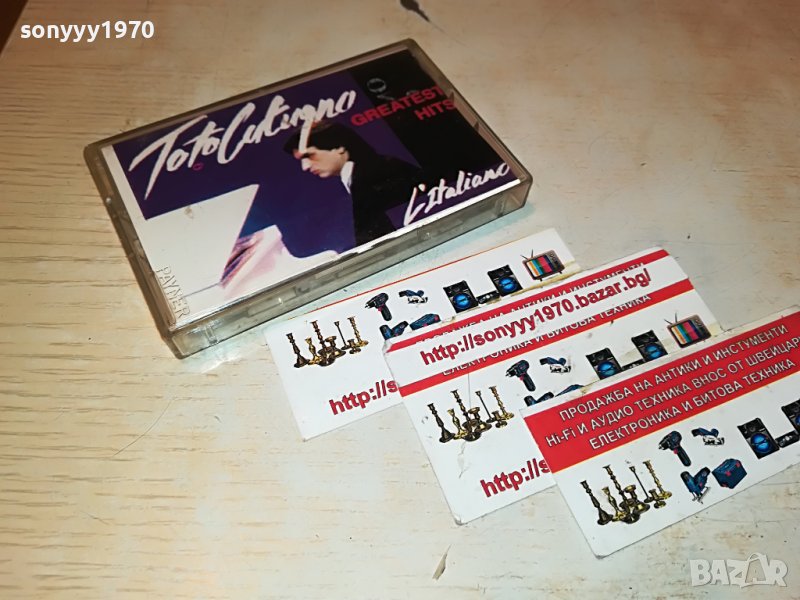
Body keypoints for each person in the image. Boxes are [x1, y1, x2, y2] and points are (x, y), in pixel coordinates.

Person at [284, 121, 423, 246]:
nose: (305, 166)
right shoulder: (351, 182)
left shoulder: (386, 171)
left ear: (339, 147)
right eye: (301, 160)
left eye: (310, 155)